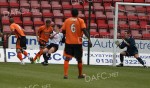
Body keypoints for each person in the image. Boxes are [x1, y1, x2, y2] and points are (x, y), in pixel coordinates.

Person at [61, 8, 92, 79]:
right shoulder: (80, 20)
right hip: (78, 43)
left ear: (71, 14)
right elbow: (84, 30)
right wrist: (89, 40)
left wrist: (63, 38)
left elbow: (63, 31)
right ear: (78, 13)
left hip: (68, 42)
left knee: (67, 58)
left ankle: (65, 74)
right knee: (79, 59)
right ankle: (80, 75)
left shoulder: (67, 20)